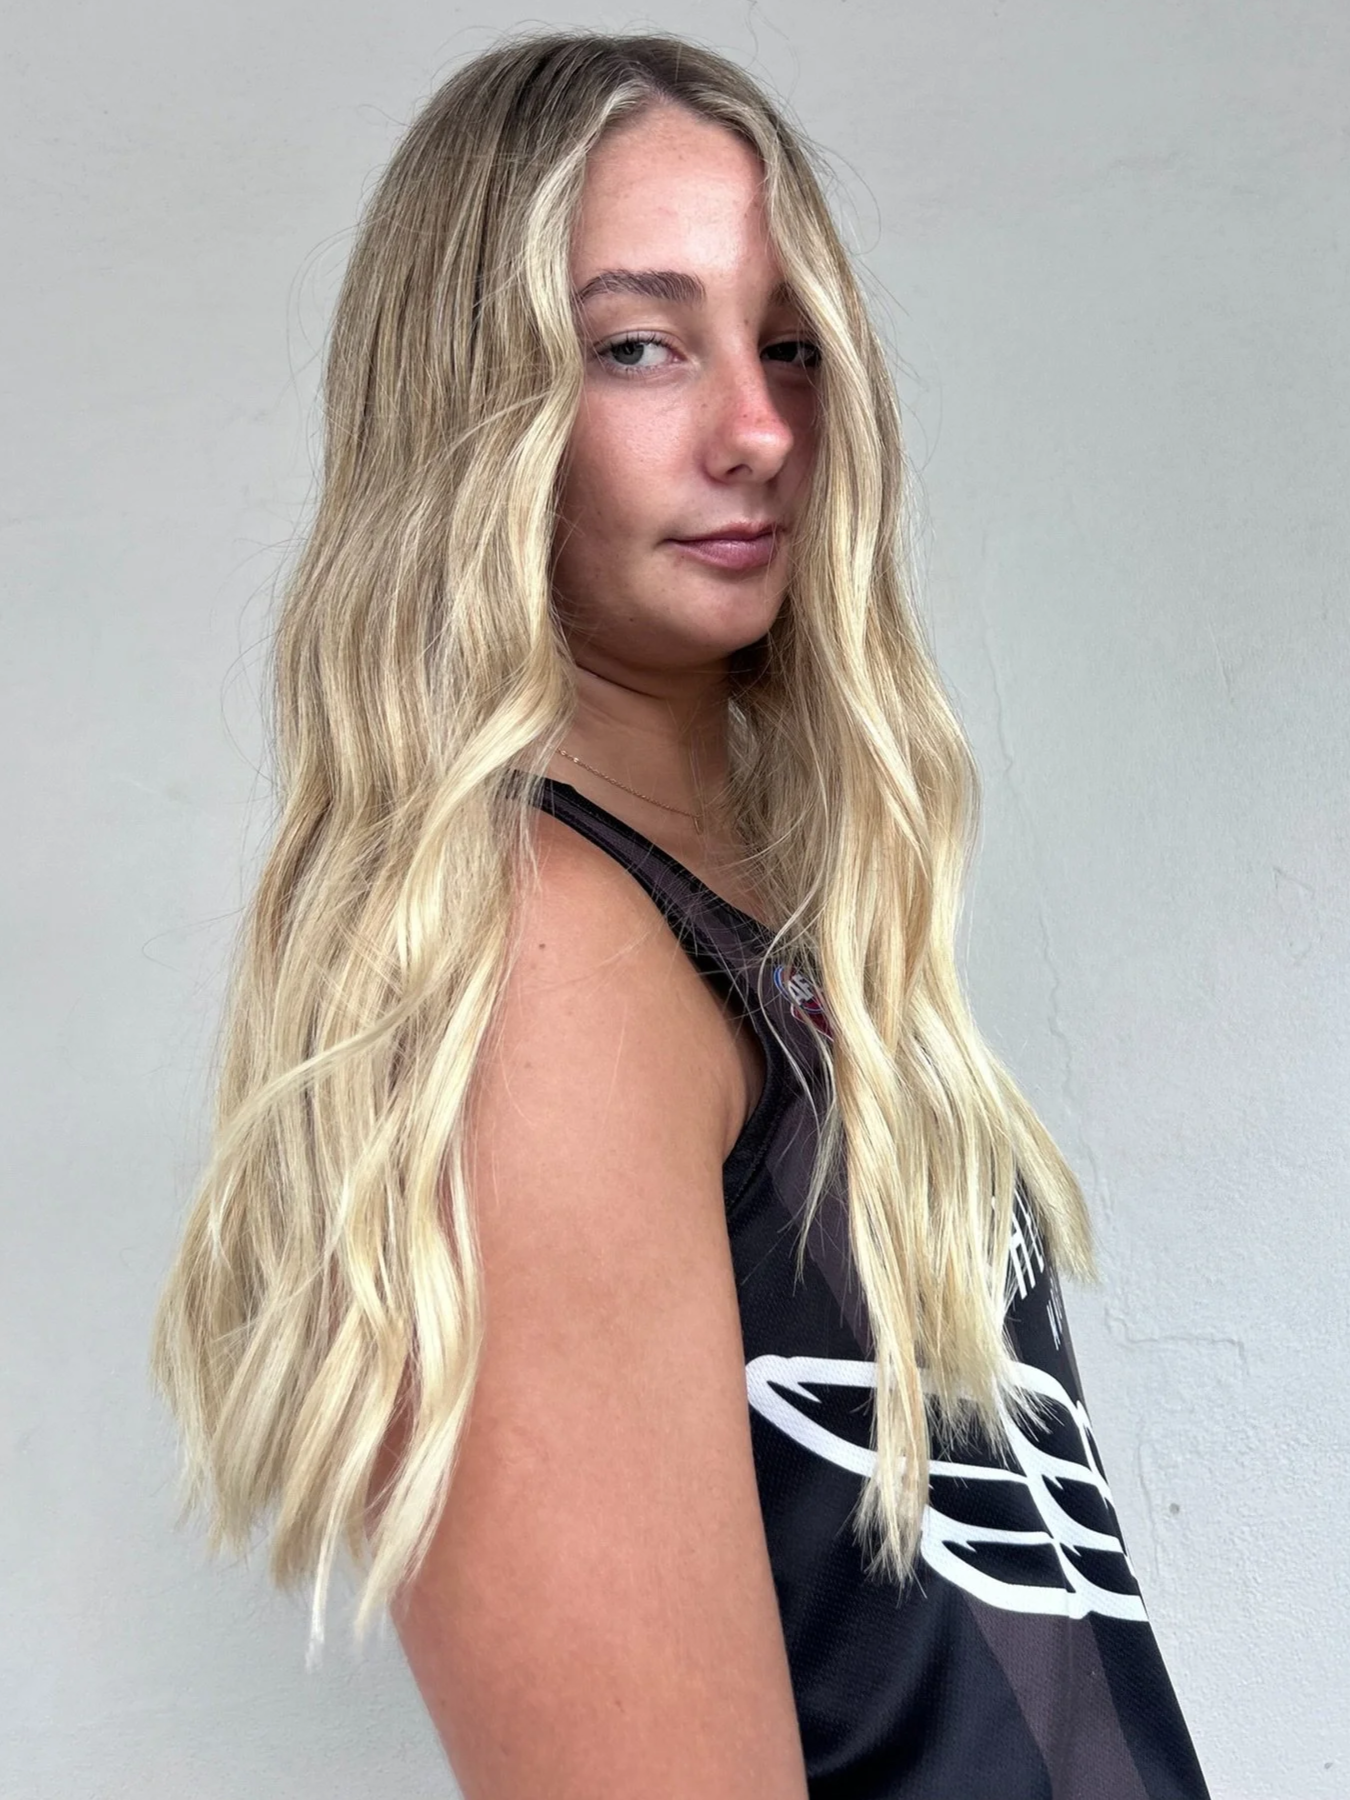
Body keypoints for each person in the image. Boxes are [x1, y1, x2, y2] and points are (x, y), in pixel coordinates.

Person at [150, 29, 1211, 1799]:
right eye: (639, 346)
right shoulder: (552, 967)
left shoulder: (749, 923)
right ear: (470, 407)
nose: (758, 429)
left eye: (787, 342)